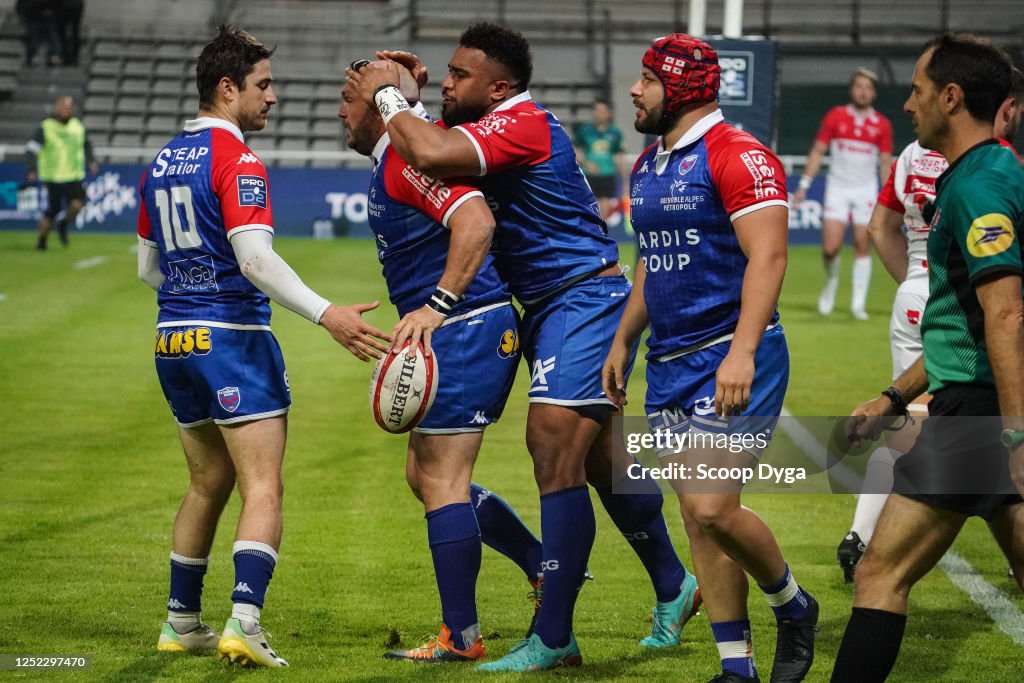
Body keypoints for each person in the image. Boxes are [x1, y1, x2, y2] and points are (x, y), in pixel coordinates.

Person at [347, 22, 700, 671]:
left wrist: (389, 97)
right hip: (548, 306)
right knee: (600, 459)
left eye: (460, 75)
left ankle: (555, 633)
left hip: (580, 296)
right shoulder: (494, 124)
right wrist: (418, 101)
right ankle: (676, 583)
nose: (447, 80)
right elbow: (438, 142)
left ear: (498, 87)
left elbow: (426, 153)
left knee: (551, 446)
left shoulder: (524, 122)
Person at [139, 25, 391, 669]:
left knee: (206, 484)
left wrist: (192, 297)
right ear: (228, 89)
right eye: (263, 85)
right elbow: (255, 260)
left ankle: (181, 623)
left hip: (173, 338)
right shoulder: (237, 161)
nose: (273, 97)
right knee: (262, 487)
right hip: (233, 340)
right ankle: (244, 622)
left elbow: (147, 268)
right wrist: (325, 313)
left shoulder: (161, 161)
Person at [602, 34, 819, 683]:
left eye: (645, 79)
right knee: (699, 520)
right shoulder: (649, 165)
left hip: (731, 354)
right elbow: (651, 260)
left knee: (712, 507)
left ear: (681, 88)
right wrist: (623, 338)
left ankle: (792, 603)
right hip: (670, 362)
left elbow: (770, 256)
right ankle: (736, 667)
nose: (634, 91)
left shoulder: (738, 155)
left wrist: (743, 352)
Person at [339, 60, 547, 663]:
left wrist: (438, 304)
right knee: (425, 477)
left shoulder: (406, 157)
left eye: (349, 100)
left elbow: (475, 222)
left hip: (465, 326)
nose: (342, 111)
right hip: (468, 327)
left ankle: (462, 636)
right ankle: (539, 566)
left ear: (377, 107)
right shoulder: (404, 152)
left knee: (441, 481)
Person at [832, 34, 1024, 683]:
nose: (907, 105)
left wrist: (1016, 433)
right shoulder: (977, 175)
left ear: (951, 96)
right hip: (978, 398)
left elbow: (1005, 315)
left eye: (916, 90)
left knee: (878, 572)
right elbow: (962, 327)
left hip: (981, 408)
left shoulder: (980, 186)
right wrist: (890, 399)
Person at [793, 67, 893, 320]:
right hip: (837, 188)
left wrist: (886, 198)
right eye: (859, 86)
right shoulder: (836, 116)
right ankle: (831, 283)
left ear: (874, 93)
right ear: (851, 89)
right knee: (830, 248)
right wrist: (803, 186)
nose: (863, 91)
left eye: (868, 87)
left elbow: (883, 163)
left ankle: (858, 304)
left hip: (865, 191)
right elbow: (817, 151)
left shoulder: (881, 124)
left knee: (862, 244)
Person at [25, 95, 97, 250]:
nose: (66, 111)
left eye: (69, 108)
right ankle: (42, 239)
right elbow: (31, 150)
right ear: (56, 108)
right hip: (53, 177)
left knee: (77, 205)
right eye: (63, 108)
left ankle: (63, 223)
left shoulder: (77, 126)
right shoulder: (45, 127)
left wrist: (90, 160)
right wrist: (31, 168)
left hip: (74, 175)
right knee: (52, 211)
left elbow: (86, 145)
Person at [574, 98, 626, 220]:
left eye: (603, 111)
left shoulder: (615, 133)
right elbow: (574, 150)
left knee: (605, 209)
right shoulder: (585, 131)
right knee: (592, 208)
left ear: (609, 113)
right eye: (597, 110)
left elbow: (619, 156)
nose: (599, 114)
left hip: (607, 175)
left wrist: (625, 180)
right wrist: (586, 163)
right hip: (590, 175)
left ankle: (602, 234)